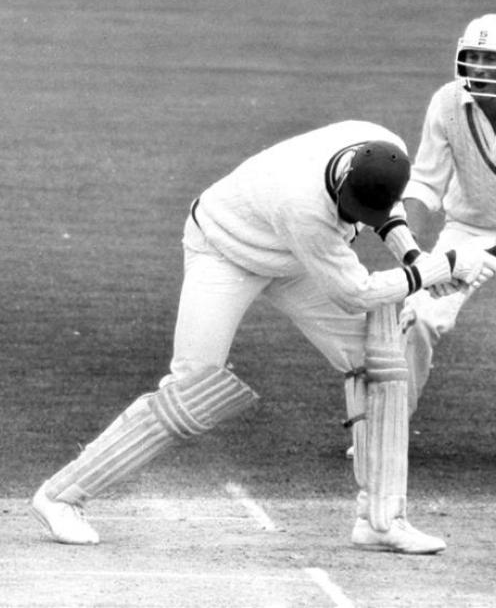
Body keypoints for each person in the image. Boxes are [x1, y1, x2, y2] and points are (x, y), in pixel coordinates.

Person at [31, 119, 496, 554]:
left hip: (295, 262)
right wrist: (441, 268)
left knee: (381, 362)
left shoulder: (379, 144)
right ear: (342, 182)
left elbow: (387, 215)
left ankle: (380, 520)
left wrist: (418, 261)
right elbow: (357, 293)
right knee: (193, 389)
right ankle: (61, 496)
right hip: (227, 249)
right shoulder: (302, 204)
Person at [400, 14, 496, 415]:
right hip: (469, 229)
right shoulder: (447, 101)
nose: (479, 68)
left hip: (485, 248)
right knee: (418, 316)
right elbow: (424, 185)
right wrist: (414, 262)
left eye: (489, 60)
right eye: (474, 57)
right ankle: (388, 426)